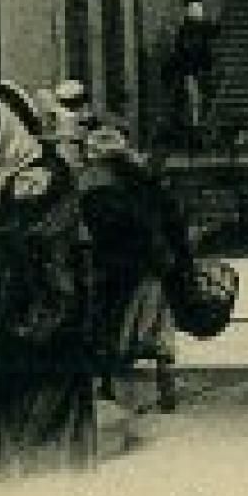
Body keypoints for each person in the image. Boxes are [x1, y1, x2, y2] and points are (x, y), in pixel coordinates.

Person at [0, 81, 98, 478]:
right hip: (6, 338)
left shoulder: (41, 181)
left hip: (39, 335)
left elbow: (56, 270)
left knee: (45, 452)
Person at [77, 123, 193, 412]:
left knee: (108, 326)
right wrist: (181, 263)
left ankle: (108, 388)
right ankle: (165, 391)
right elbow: (173, 226)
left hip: (109, 268)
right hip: (150, 266)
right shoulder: (147, 185)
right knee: (158, 330)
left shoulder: (89, 190)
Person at [161, 0, 219, 149]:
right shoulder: (186, 31)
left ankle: (198, 131)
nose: (196, 11)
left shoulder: (205, 29)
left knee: (200, 102)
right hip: (191, 72)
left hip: (201, 71)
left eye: (197, 9)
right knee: (193, 102)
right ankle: (195, 132)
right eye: (193, 9)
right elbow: (181, 52)